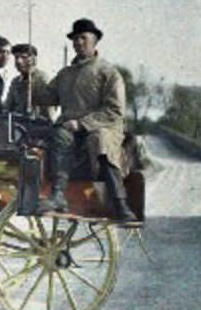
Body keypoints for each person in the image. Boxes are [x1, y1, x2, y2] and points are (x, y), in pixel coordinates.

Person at [35, 19, 136, 221]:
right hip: (70, 130)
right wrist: (31, 77)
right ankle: (58, 196)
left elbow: (114, 110)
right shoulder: (65, 74)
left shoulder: (108, 73)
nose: (78, 42)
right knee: (60, 135)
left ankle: (120, 204)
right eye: (75, 39)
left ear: (95, 41)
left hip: (103, 127)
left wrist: (82, 123)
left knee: (100, 141)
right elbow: (46, 96)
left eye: (83, 38)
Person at [4, 43, 53, 119]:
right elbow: (8, 107)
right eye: (16, 57)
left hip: (36, 125)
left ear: (33, 60)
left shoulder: (41, 79)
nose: (18, 61)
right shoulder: (15, 82)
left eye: (24, 57)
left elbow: (49, 111)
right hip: (17, 123)